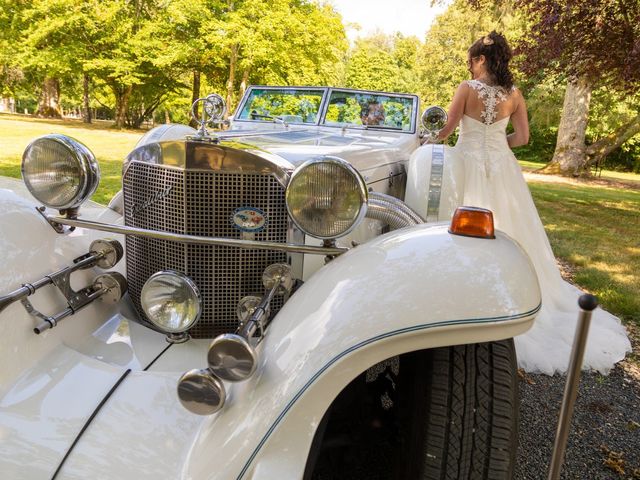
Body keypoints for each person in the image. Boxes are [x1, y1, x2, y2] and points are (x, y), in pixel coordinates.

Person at [435, 31, 630, 375]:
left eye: (472, 59)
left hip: (465, 165)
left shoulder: (467, 89)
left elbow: (447, 129)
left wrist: (426, 139)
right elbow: (522, 138)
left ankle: (460, 294)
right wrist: (497, 144)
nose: (470, 65)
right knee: (510, 231)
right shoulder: (515, 94)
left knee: (459, 230)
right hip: (502, 170)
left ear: (480, 60)